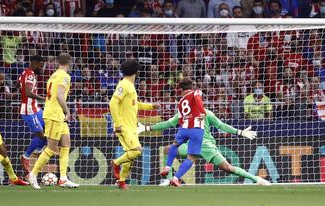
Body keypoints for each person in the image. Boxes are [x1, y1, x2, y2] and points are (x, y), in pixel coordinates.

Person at [138, 109, 271, 186]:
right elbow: (167, 123)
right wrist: (146, 128)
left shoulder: (206, 113)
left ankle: (257, 179)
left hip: (207, 146)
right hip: (192, 145)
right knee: (168, 149)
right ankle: (169, 180)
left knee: (228, 168)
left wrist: (240, 132)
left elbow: (221, 125)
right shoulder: (184, 113)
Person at [28, 53, 79, 189]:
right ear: (70, 62)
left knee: (66, 144)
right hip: (54, 115)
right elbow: (59, 95)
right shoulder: (65, 77)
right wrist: (68, 111)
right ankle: (33, 174)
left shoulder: (53, 75)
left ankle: (63, 178)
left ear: (58, 62)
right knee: (51, 148)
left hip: (57, 115)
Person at [109, 60, 159, 190]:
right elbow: (112, 103)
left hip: (131, 127)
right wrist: (118, 123)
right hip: (124, 126)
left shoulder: (130, 85)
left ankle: (121, 181)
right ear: (137, 71)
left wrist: (151, 107)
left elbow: (135, 104)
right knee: (137, 151)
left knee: (130, 155)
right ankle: (115, 163)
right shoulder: (124, 84)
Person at [159, 78, 205, 187]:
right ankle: (175, 178)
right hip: (196, 128)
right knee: (191, 157)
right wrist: (202, 112)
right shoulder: (196, 92)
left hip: (183, 128)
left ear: (181, 89)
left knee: (174, 145)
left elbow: (180, 119)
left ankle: (167, 167)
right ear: (192, 86)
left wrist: (183, 130)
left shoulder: (180, 101)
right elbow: (198, 99)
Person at [18, 55, 47, 178]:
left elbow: (18, 82)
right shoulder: (30, 75)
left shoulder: (27, 72)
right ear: (35, 64)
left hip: (36, 108)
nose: (42, 69)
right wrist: (45, 99)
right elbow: (27, 92)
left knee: (49, 129)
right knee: (41, 135)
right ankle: (26, 156)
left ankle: (39, 149)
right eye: (41, 66)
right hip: (29, 110)